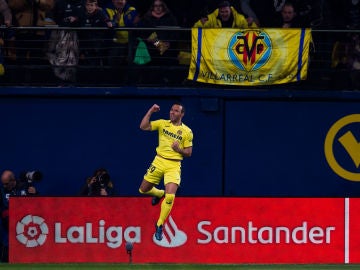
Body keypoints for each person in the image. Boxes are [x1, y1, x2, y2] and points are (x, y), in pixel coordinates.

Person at [138, 103, 193, 241]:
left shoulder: (187, 131)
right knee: (143, 190)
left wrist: (179, 150)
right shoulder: (162, 124)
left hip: (173, 165)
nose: (172, 112)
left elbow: (188, 153)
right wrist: (151, 110)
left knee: (170, 197)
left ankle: (159, 224)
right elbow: (143, 126)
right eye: (171, 110)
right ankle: (159, 193)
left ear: (182, 114)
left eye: (176, 111)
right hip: (159, 161)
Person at [0, 170, 37, 262]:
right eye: (3, 184)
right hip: (9, 227)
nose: (4, 186)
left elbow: (37, 205)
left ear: (13, 181)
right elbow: (2, 209)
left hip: (27, 225)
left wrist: (35, 194)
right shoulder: (2, 191)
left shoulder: (24, 187)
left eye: (6, 184)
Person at [105, 0, 139, 66]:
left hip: (131, 43)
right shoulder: (107, 10)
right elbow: (110, 25)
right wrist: (116, 19)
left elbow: (129, 23)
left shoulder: (131, 10)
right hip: (115, 44)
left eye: (122, 0)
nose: (120, 1)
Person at [79, 0, 112, 66]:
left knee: (98, 66)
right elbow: (81, 34)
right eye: (88, 5)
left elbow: (109, 25)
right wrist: (81, 51)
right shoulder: (82, 15)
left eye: (92, 5)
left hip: (98, 47)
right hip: (86, 47)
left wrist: (109, 22)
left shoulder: (101, 14)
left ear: (96, 6)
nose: (89, 7)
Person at [193, 0, 257, 28]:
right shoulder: (212, 18)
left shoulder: (239, 18)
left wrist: (251, 24)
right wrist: (201, 23)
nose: (224, 14)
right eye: (222, 12)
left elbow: (256, 30)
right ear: (218, 11)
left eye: (226, 11)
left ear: (230, 11)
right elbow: (195, 28)